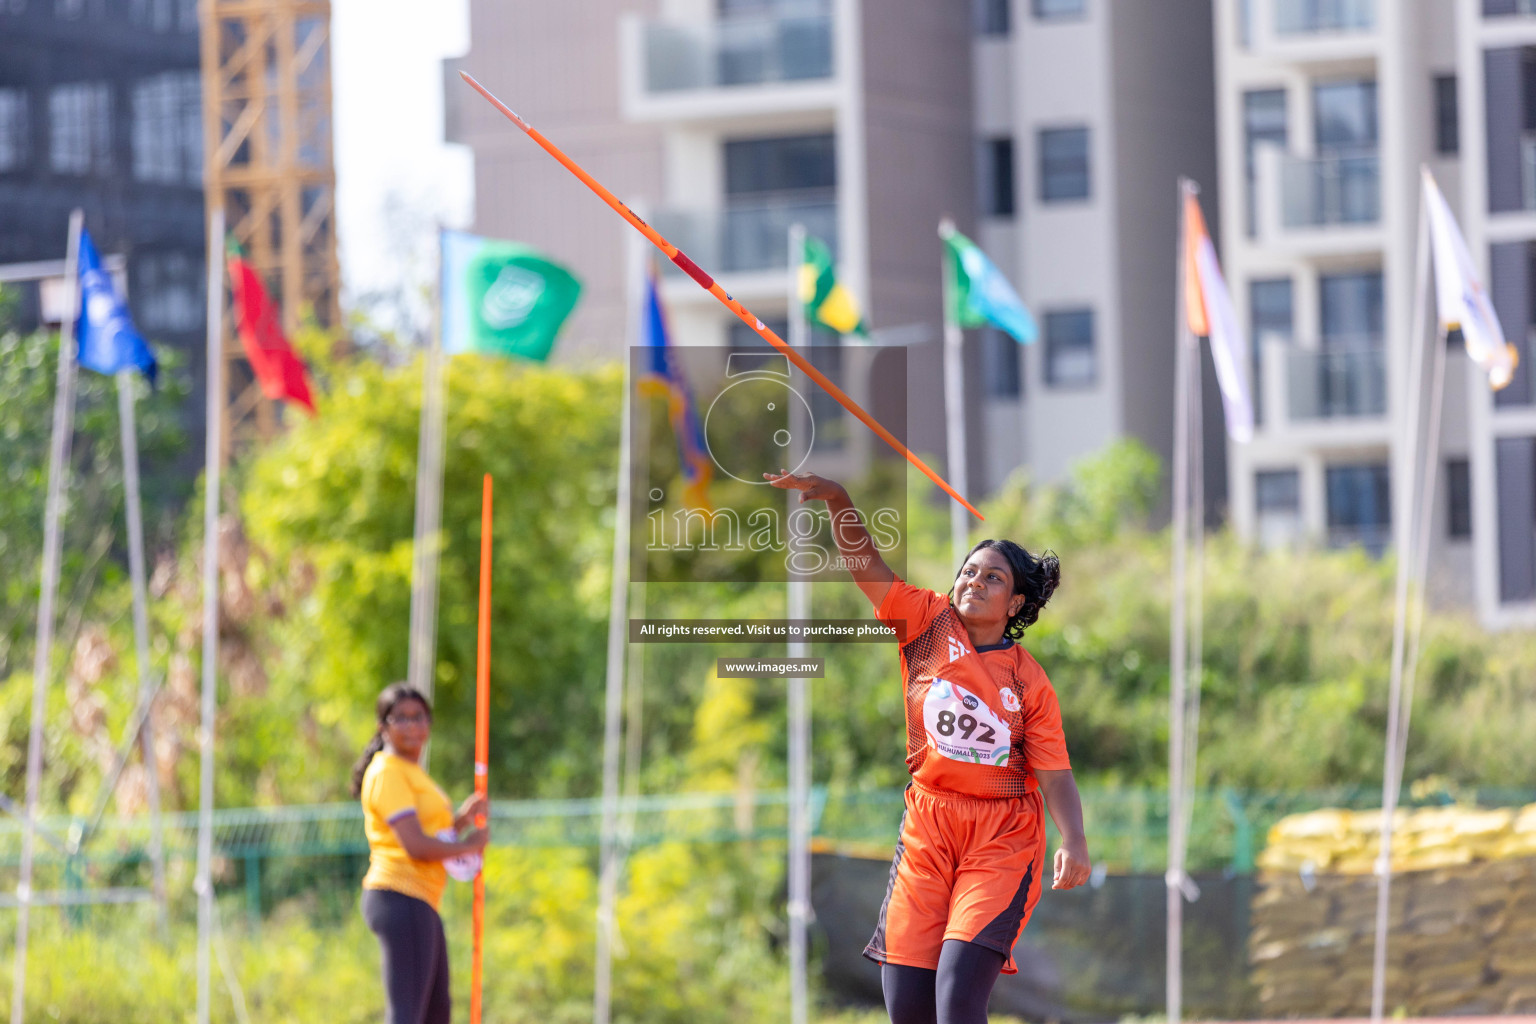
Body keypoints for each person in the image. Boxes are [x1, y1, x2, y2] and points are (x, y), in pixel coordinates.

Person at [766, 470, 1092, 1024]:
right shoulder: (925, 621)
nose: (975, 581)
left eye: (993, 578)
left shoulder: (1028, 681)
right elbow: (867, 569)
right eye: (968, 571)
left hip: (1002, 839)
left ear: (1015, 603)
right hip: (928, 829)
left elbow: (1055, 774)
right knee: (909, 1010)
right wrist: (840, 500)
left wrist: (1074, 839)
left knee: (957, 999)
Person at [351, 682, 489, 1024]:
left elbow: (430, 836)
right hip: (400, 894)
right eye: (402, 718)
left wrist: (459, 823)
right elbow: (415, 845)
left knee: (435, 1013)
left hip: (422, 899)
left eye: (420, 717)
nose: (413, 726)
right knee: (408, 1014)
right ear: (384, 725)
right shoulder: (387, 772)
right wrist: (470, 845)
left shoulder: (411, 772)